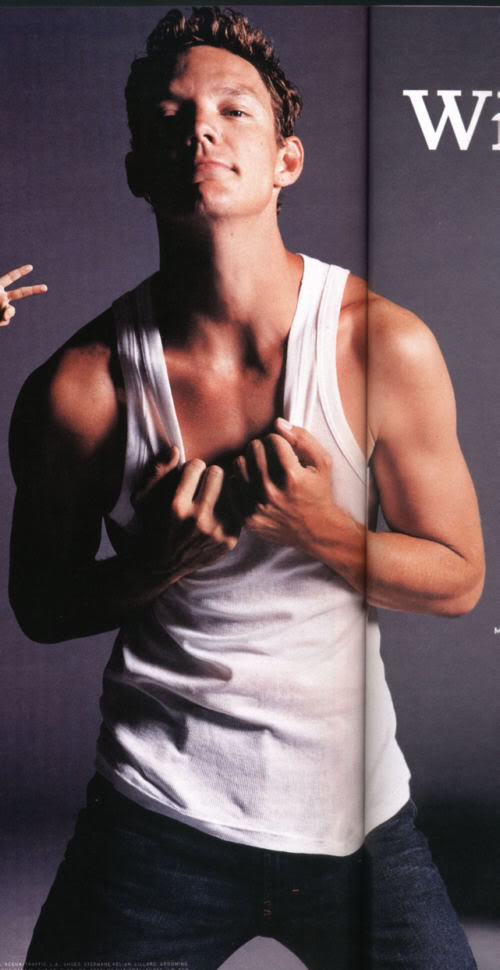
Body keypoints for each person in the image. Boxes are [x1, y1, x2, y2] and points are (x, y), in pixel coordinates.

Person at [9, 8, 485, 970]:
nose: (202, 130)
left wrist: (322, 530)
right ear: (139, 168)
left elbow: (460, 578)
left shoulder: (380, 345)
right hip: (155, 820)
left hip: (357, 826)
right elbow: (41, 607)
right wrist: (152, 565)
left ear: (286, 161)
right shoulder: (82, 389)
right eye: (171, 116)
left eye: (235, 110)